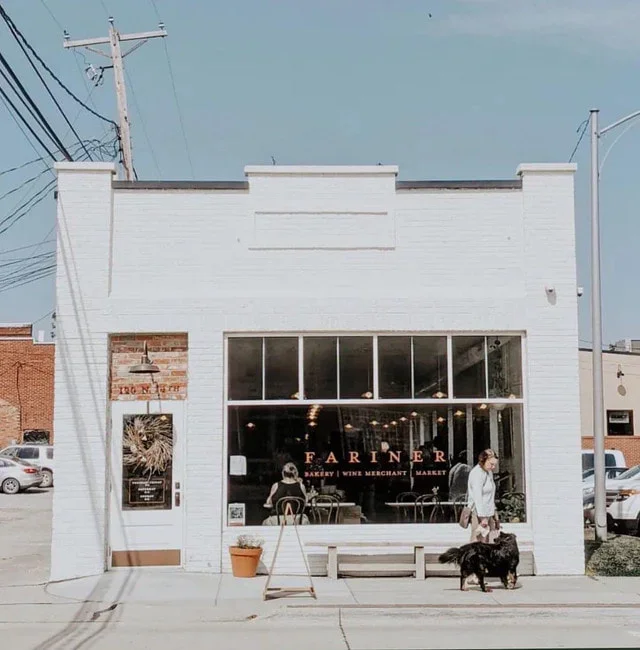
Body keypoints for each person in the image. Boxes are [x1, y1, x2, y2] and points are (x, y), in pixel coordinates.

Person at [466, 449, 499, 543]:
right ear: (483, 461)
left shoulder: (488, 472)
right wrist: (482, 517)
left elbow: (490, 494)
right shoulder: (477, 473)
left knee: (490, 541)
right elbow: (477, 497)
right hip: (478, 513)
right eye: (491, 464)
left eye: (494, 465)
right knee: (478, 542)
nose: (493, 467)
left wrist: (494, 512)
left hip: (489, 512)